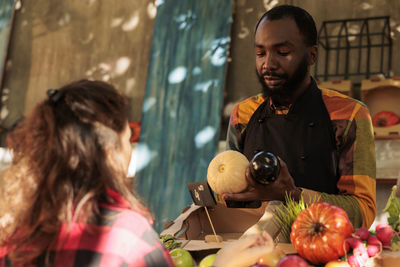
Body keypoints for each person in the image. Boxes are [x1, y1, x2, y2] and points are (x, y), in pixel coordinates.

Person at [0, 79, 273, 266]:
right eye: (127, 138)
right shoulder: (126, 239)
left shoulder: (17, 234)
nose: (130, 148)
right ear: (110, 153)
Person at [223, 5, 376, 230]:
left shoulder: (349, 115)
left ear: (311, 55)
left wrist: (293, 195)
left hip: (323, 251)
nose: (268, 64)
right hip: (252, 250)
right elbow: (228, 193)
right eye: (260, 53)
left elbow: (363, 212)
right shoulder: (242, 114)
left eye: (283, 52)